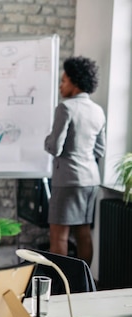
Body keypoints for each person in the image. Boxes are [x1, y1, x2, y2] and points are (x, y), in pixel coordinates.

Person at [45, 56, 105, 267]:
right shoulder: (98, 111)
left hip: (67, 180)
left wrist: (46, 139)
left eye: (64, 81)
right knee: (83, 233)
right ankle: (83, 284)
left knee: (59, 237)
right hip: (90, 181)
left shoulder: (66, 108)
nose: (61, 86)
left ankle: (62, 287)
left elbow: (54, 147)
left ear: (75, 82)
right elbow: (100, 149)